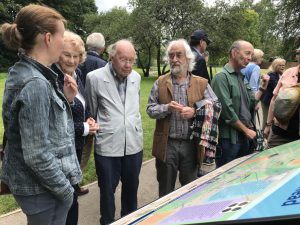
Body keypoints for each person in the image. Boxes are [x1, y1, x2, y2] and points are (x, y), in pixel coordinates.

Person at [0, 4, 82, 225]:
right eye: (61, 36)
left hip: (39, 188)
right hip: (43, 191)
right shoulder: (36, 83)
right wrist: (66, 191)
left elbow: (45, 126)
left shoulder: (26, 71)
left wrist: (66, 98)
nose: (63, 41)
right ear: (48, 38)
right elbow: (37, 155)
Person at [146, 39, 218, 197]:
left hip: (191, 145)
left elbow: (215, 105)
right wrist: (166, 108)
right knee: (165, 192)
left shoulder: (201, 83)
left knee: (190, 191)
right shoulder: (160, 82)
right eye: (171, 56)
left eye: (179, 55)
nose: (174, 59)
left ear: (188, 59)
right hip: (167, 144)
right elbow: (150, 109)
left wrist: (194, 111)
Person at [85, 39, 143, 225]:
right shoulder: (94, 78)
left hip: (133, 143)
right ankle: (108, 221)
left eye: (131, 60)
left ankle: (130, 220)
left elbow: (134, 107)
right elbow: (92, 111)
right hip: (108, 145)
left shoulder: (136, 77)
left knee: (131, 188)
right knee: (107, 191)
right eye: (123, 59)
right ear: (111, 57)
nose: (128, 65)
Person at [51, 30, 99, 225]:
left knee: (72, 198)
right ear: (57, 54)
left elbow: (80, 104)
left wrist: (90, 119)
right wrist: (85, 128)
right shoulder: (53, 78)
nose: (71, 60)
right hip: (60, 152)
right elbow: (54, 124)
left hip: (76, 147)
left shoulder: (77, 73)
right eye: (66, 54)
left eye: (76, 56)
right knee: (64, 202)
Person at [211, 40, 257, 167]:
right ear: (234, 53)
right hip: (229, 141)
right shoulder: (221, 77)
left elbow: (252, 104)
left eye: (251, 55)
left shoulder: (241, 77)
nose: (249, 58)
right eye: (247, 53)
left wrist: (263, 88)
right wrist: (246, 131)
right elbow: (227, 111)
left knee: (241, 179)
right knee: (225, 180)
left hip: (244, 137)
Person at [78, 32, 107, 178]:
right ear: (102, 48)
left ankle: (75, 180)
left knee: (79, 149)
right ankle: (76, 182)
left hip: (78, 111)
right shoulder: (103, 65)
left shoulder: (79, 60)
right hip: (94, 115)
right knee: (89, 149)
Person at [264, 47, 300, 148]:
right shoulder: (289, 73)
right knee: (271, 159)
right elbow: (274, 99)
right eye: (298, 53)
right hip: (280, 133)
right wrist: (268, 125)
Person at [260, 57, 286, 129]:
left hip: (273, 101)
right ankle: (262, 137)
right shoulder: (271, 75)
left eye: (283, 65)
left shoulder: (279, 74)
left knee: (271, 120)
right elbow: (277, 87)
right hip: (267, 101)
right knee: (267, 120)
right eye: (280, 65)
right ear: (275, 66)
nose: (283, 67)